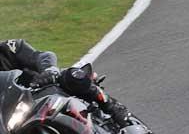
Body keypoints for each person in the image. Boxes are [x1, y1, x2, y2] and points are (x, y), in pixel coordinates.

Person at [0, 38, 130, 125]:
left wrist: (49, 70)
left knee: (72, 76)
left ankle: (113, 107)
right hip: (17, 116)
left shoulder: (9, 48)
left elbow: (44, 56)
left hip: (45, 90)